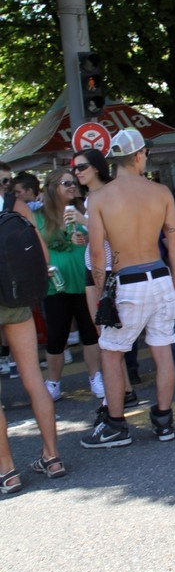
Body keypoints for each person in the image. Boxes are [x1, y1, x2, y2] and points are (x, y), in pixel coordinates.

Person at [81, 129, 175, 447]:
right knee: (162, 349)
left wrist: (101, 292)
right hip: (161, 277)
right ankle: (164, 421)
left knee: (111, 354)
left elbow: (98, 253)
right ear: (139, 156)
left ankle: (115, 426)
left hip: (127, 282)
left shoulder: (99, 197)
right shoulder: (161, 192)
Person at [0, 193, 66, 491]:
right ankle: (52, 458)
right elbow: (44, 256)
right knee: (34, 379)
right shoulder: (14, 204)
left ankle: (7, 472)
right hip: (16, 299)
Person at [71, 148, 139, 407]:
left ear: (97, 167)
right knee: (102, 333)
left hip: (111, 269)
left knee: (111, 333)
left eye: (81, 167)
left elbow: (119, 234)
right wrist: (84, 238)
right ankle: (124, 389)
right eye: (75, 168)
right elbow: (99, 236)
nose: (77, 173)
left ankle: (124, 391)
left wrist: (85, 223)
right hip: (93, 266)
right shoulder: (89, 198)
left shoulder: (111, 194)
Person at [34, 169, 104, 402]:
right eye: (67, 183)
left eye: (74, 183)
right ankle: (53, 382)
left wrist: (85, 234)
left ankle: (95, 377)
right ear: (53, 187)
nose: (73, 186)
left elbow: (102, 237)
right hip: (56, 285)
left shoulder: (84, 211)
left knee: (90, 333)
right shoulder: (39, 216)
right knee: (57, 336)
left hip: (86, 282)